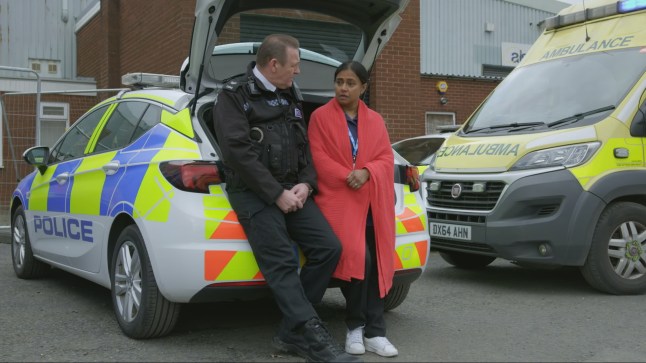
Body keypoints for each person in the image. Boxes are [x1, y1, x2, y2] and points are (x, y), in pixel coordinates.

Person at [212, 34, 361, 363]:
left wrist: (306, 185)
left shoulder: (291, 95)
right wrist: (275, 193)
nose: (298, 72)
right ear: (274, 63)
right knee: (282, 261)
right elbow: (237, 154)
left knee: (329, 248)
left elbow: (304, 149)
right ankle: (314, 338)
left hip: (292, 190)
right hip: (254, 191)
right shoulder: (233, 96)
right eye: (294, 66)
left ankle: (291, 332)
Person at [308, 61, 398, 358]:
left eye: (349, 83)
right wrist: (349, 175)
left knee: (376, 265)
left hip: (372, 204)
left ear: (363, 88)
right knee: (363, 262)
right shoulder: (320, 117)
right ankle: (356, 327)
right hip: (340, 201)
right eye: (339, 82)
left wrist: (367, 171)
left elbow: (385, 157)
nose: (343, 88)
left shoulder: (375, 120)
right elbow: (317, 158)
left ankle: (375, 333)